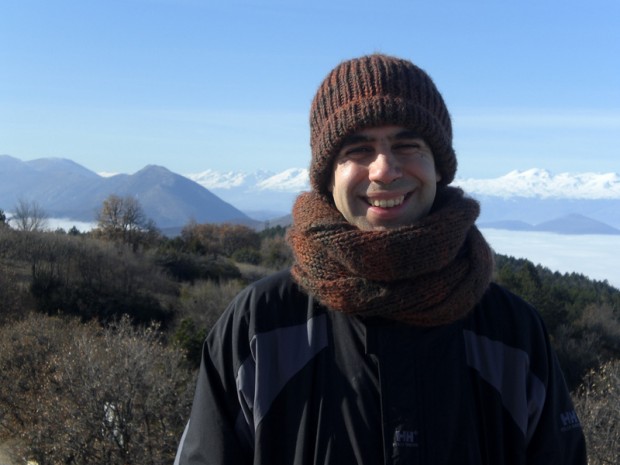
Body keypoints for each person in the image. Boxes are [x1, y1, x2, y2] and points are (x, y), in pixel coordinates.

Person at [174, 54, 587, 465]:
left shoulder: (513, 334)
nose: (384, 170)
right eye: (358, 150)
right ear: (327, 176)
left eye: (408, 145)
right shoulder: (260, 326)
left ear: (438, 167)